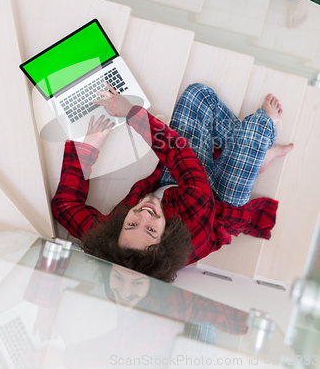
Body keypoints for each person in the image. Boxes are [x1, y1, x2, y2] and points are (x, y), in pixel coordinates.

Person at [52, 83, 293, 282]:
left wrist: (87, 150)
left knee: (197, 96)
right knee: (255, 132)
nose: (144, 214)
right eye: (151, 229)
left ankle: (254, 154)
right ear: (166, 236)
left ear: (116, 232)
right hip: (216, 201)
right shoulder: (193, 215)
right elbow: (179, 154)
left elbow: (64, 205)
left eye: (132, 225)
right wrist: (131, 113)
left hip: (175, 183)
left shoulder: (111, 239)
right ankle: (261, 142)